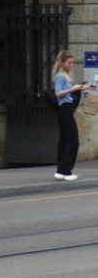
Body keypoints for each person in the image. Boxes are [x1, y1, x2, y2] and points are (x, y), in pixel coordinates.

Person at [53, 50, 85, 181]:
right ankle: (66, 170)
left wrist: (80, 87)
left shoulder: (65, 75)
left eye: (72, 63)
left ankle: (61, 170)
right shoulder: (60, 75)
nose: (71, 65)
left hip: (66, 108)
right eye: (69, 62)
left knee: (64, 139)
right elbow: (58, 93)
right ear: (62, 62)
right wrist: (73, 89)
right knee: (73, 140)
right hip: (64, 108)